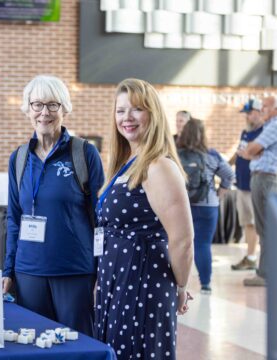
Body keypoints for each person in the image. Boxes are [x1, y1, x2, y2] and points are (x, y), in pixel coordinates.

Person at [95, 78, 194, 359]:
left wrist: (182, 286)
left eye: (136, 109)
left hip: (142, 283)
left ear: (153, 114)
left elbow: (183, 240)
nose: (127, 117)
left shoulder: (159, 166)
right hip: (116, 281)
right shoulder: (128, 163)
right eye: (120, 110)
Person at [2, 75, 104, 336]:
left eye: (52, 105)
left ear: (64, 109)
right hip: (29, 273)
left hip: (75, 271)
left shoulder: (83, 153)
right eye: (37, 105)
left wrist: (101, 270)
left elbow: (101, 219)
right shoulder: (19, 158)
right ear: (28, 109)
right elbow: (14, 218)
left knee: (76, 346)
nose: (44, 113)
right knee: (35, 345)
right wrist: (9, 270)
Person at [177, 119, 234, 294]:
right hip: (207, 205)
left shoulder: (175, 154)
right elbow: (229, 175)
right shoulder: (212, 155)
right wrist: (220, 192)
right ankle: (206, 285)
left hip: (180, 205)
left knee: (178, 244)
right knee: (202, 244)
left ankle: (177, 283)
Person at [237, 96, 277, 287]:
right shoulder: (273, 127)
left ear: (276, 109)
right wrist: (255, 151)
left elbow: (250, 150)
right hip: (266, 178)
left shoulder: (275, 126)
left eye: (265, 107)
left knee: (265, 228)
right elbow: (252, 151)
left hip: (265, 179)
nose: (262, 109)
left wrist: (254, 151)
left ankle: (265, 274)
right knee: (265, 227)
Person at [230, 99, 263, 270]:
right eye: (246, 114)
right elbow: (239, 153)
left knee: (259, 225)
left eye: (250, 113)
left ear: (259, 112)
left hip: (255, 186)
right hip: (241, 185)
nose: (247, 117)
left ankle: (262, 260)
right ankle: (250, 257)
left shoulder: (264, 133)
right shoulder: (246, 133)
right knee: (248, 223)